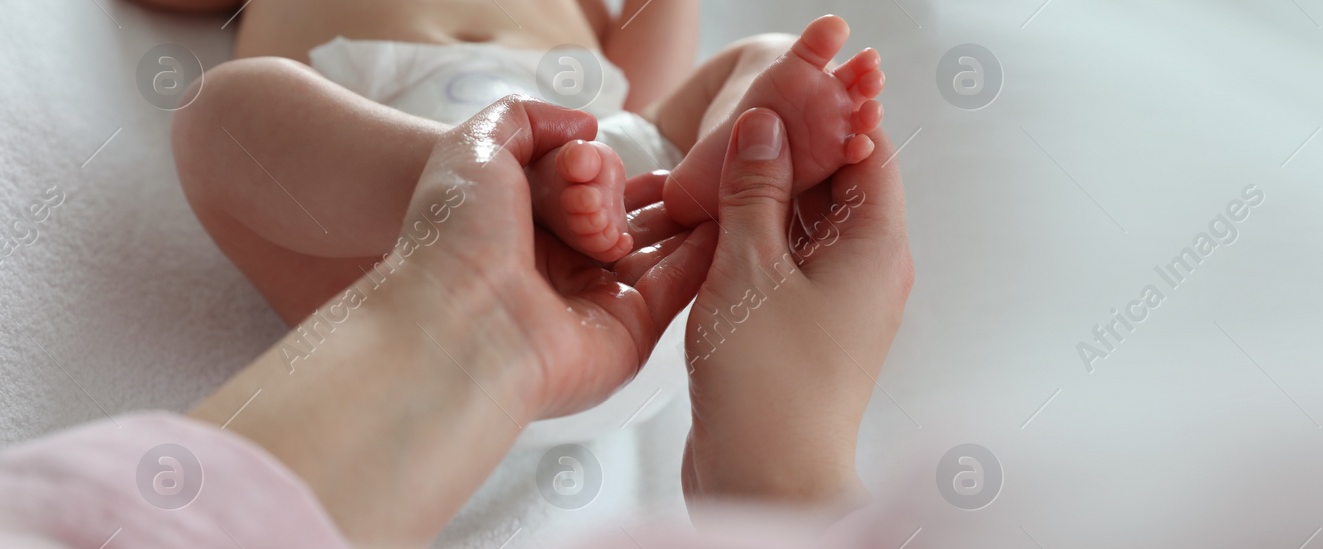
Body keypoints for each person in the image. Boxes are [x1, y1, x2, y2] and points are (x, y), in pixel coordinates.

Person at [0, 94, 911, 549]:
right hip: (386, 233)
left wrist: (749, 97)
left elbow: (656, 90)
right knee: (223, 112)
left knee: (732, 81)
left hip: (645, 234)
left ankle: (756, 141)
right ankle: (466, 176)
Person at [136, 0, 886, 327]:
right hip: (393, 218)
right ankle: (478, 180)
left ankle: (706, 187)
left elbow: (642, 97)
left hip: (621, 209)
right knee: (223, 112)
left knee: (761, 54)